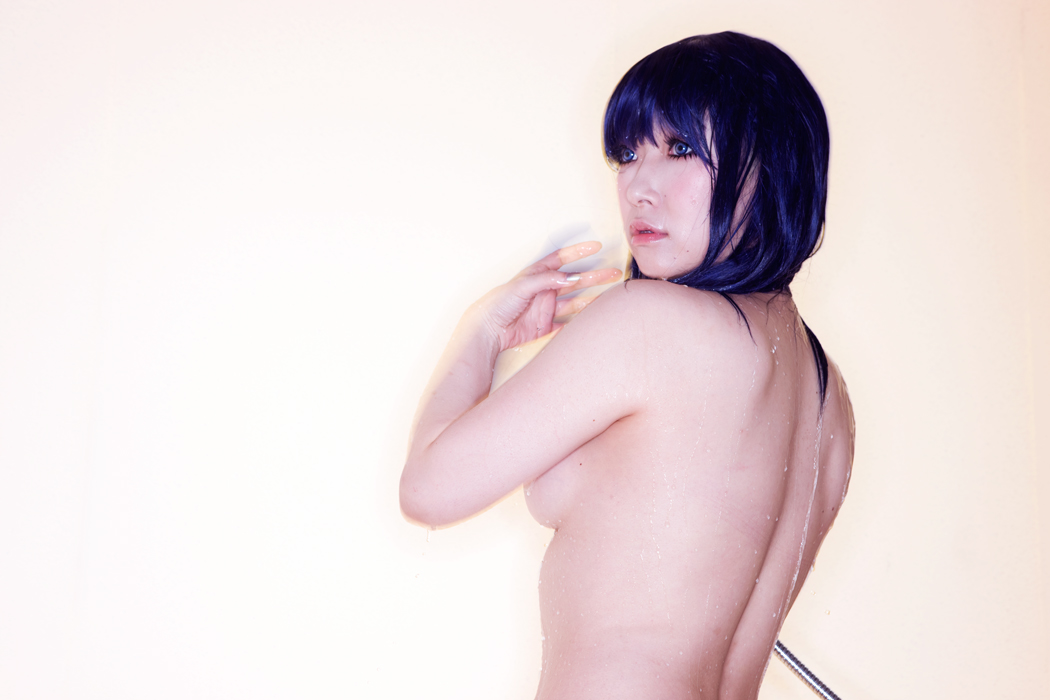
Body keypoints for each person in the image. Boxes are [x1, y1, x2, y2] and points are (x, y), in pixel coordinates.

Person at [400, 31, 854, 700]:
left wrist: (482, 330)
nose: (639, 185)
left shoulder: (648, 323)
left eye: (681, 149)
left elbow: (428, 489)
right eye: (628, 154)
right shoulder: (828, 396)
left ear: (771, 163)